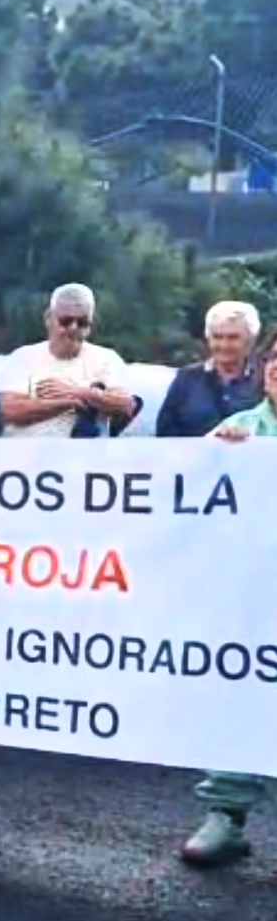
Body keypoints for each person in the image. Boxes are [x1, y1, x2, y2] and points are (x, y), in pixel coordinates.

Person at [175, 347, 277, 867]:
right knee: (238, 698)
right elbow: (180, 490)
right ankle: (226, 815)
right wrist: (216, 453)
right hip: (246, 594)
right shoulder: (240, 426)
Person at [0, 284, 137, 439]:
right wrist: (69, 403)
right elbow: (9, 411)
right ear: (48, 318)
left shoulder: (107, 358)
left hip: (87, 453)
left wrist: (80, 393)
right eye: (65, 321)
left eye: (82, 322)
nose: (73, 328)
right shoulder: (23, 357)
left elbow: (126, 406)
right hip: (28, 452)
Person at [157, 300, 263, 440]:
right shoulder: (186, 379)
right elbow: (164, 434)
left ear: (251, 340)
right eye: (217, 337)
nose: (224, 345)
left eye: (233, 338)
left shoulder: (265, 378)